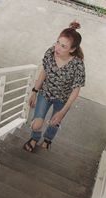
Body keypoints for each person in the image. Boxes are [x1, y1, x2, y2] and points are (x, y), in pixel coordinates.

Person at [23, 21, 85, 152]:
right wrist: (34, 91)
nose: (57, 48)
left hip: (62, 100)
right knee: (36, 124)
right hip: (45, 93)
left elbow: (75, 91)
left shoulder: (77, 65)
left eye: (63, 46)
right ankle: (35, 137)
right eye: (58, 42)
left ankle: (47, 140)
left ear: (72, 49)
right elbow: (44, 71)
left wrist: (62, 112)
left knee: (54, 122)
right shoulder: (50, 53)